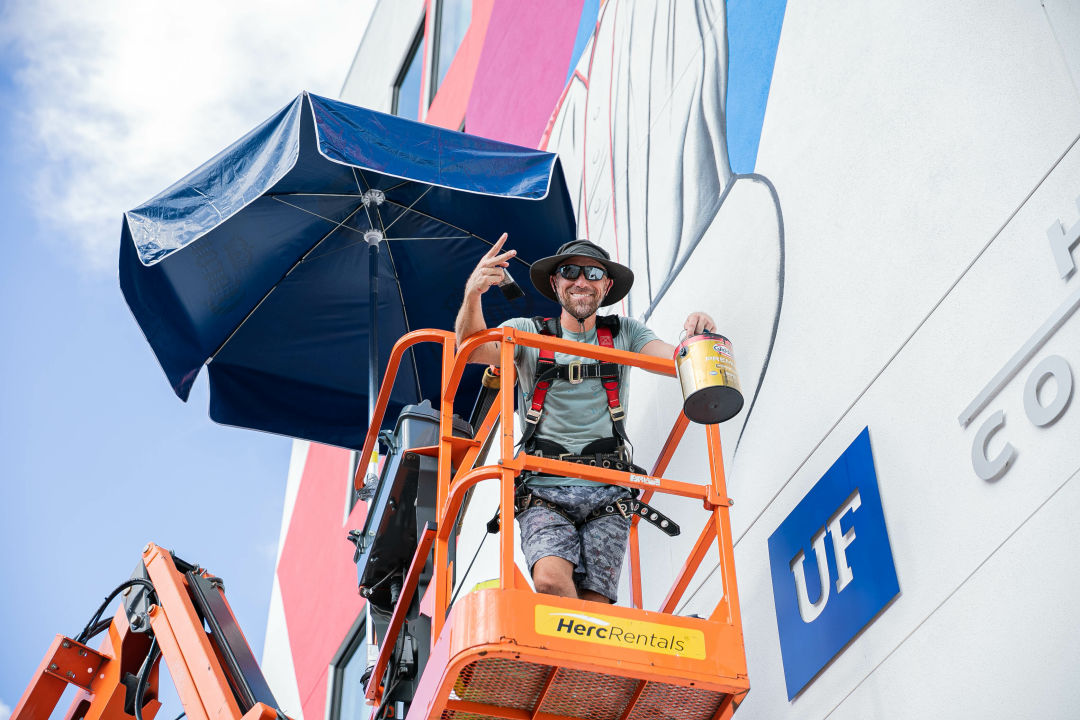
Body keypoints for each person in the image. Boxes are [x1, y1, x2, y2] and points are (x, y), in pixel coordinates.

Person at [455, 233, 715, 604]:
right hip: (542, 488)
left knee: (595, 606)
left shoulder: (624, 333)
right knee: (549, 583)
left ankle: (580, 660)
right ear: (555, 282)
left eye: (592, 273)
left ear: (606, 285)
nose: (581, 281)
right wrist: (473, 293)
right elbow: (472, 350)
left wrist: (698, 338)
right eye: (570, 272)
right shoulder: (527, 333)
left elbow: (677, 362)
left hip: (609, 488)